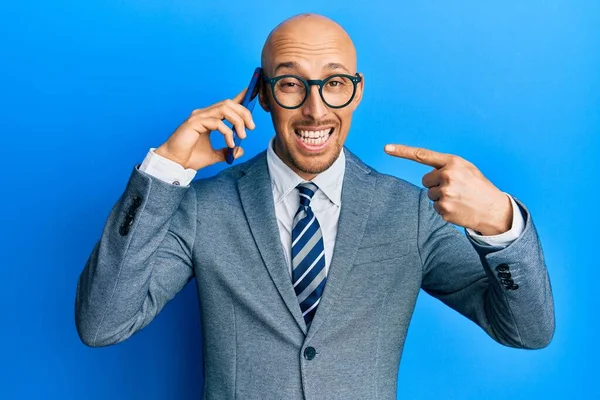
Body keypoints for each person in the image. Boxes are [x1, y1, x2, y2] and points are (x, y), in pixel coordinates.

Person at [75, 13, 555, 400]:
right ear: (262, 93)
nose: (316, 109)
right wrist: (164, 171)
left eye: (335, 83)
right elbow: (102, 324)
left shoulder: (409, 213)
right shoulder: (205, 206)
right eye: (290, 84)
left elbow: (527, 331)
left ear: (357, 90)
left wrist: (500, 225)